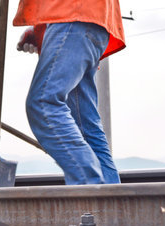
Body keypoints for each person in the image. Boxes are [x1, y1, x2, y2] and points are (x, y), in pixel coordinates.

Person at [13, 1, 126, 185]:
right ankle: (111, 207)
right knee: (86, 127)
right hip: (87, 18)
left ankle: (91, 194)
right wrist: (42, 29)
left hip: (72, 14)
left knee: (43, 103)